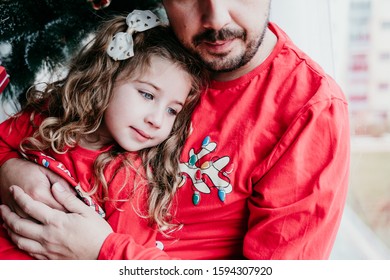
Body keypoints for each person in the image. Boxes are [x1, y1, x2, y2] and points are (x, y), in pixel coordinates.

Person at [0, 0, 350, 260]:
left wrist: (103, 254)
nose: (216, 19)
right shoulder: (136, 58)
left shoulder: (311, 110)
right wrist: (12, 171)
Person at [0, 10, 206, 259]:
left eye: (172, 110)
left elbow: (116, 261)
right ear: (107, 79)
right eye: (147, 95)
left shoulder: (128, 181)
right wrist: (9, 168)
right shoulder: (47, 117)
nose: (156, 120)